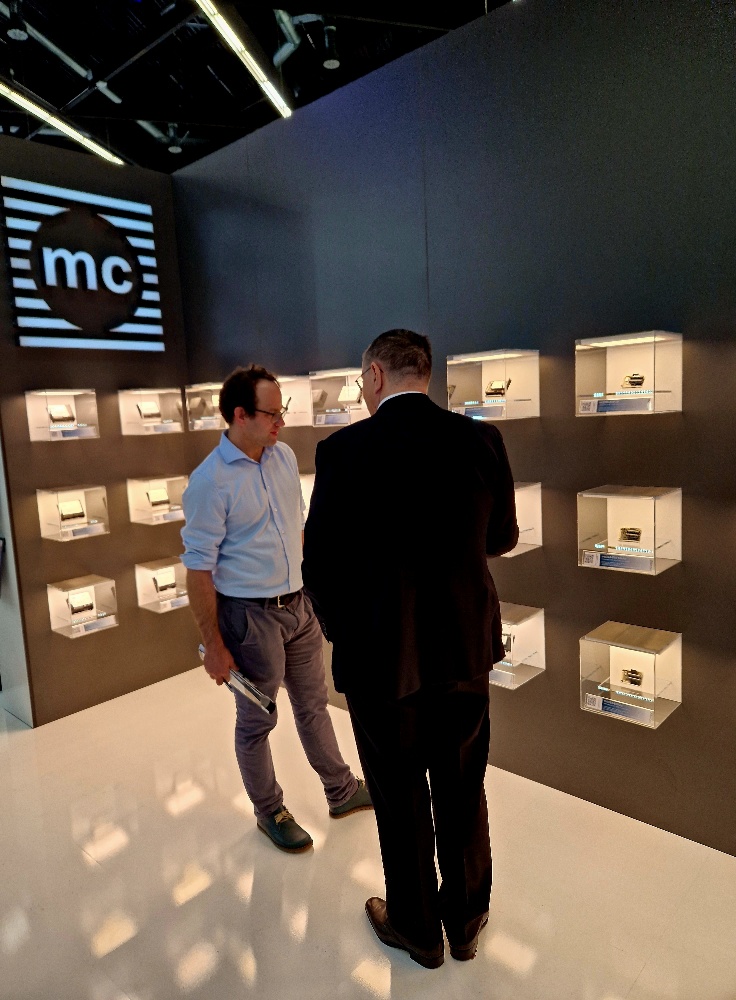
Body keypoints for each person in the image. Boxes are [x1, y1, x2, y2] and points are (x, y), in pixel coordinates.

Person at [303, 330, 518, 968]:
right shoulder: (480, 439)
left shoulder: (342, 451)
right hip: (463, 651)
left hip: (379, 657)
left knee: (398, 796)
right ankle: (467, 921)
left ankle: (418, 928)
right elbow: (500, 538)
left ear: (375, 375)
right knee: (463, 785)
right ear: (424, 373)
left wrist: (346, 631)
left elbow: (319, 565)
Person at [181, 364, 372, 854]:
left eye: (281, 410)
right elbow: (198, 571)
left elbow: (295, 528)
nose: (281, 422)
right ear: (240, 415)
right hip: (250, 619)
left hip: (298, 608)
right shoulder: (210, 482)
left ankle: (341, 790)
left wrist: (312, 594)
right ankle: (270, 810)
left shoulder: (282, 457)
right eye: (272, 413)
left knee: (314, 705)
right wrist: (214, 647)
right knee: (257, 722)